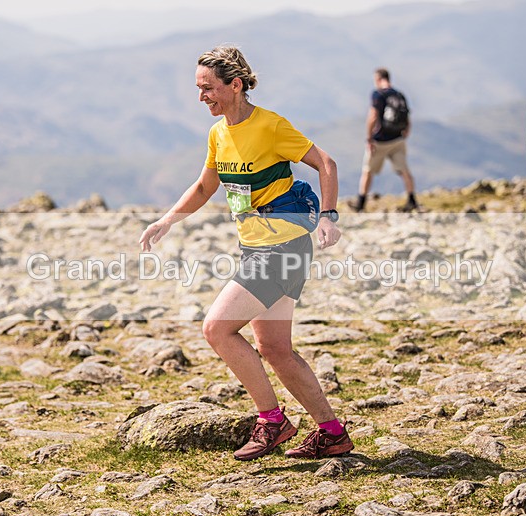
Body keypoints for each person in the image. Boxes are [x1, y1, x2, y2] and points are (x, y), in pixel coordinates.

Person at [140, 46, 353, 461]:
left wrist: (328, 216)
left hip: (282, 244)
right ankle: (331, 433)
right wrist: (167, 219)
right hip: (255, 244)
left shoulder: (270, 126)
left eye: (209, 88)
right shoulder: (219, 133)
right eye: (199, 89)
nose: (202, 96)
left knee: (216, 329)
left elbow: (326, 163)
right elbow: (205, 187)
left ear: (235, 85)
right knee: (274, 348)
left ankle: (272, 422)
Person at [349, 68, 418, 212]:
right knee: (404, 170)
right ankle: (412, 200)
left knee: (368, 170)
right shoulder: (399, 95)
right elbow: (408, 118)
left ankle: (361, 203)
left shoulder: (378, 94)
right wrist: (405, 134)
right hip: (398, 139)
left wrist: (369, 137)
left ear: (378, 79)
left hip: (380, 141)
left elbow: (373, 116)